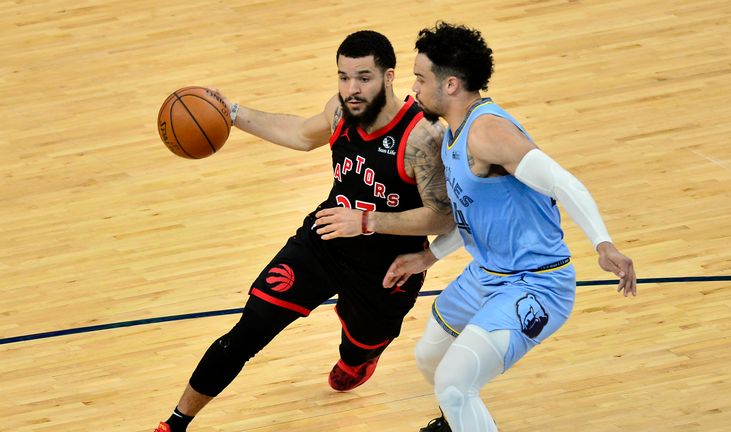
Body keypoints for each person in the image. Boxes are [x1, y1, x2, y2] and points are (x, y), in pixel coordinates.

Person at [152, 30, 452, 432]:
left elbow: (444, 217)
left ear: (389, 76)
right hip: (324, 242)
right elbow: (299, 134)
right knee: (248, 330)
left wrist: (367, 222)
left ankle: (357, 357)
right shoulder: (340, 112)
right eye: (343, 78)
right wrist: (233, 112)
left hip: (387, 268)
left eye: (363, 77)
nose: (352, 88)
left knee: (362, 346)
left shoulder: (421, 137)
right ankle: (174, 423)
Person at [381, 22, 637, 432]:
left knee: (454, 383)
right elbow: (473, 217)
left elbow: (563, 181)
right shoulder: (453, 133)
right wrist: (428, 256)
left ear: (450, 85)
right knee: (431, 359)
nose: (413, 88)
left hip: (536, 284)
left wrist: (603, 244)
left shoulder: (488, 134)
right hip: (487, 273)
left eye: (420, 78)